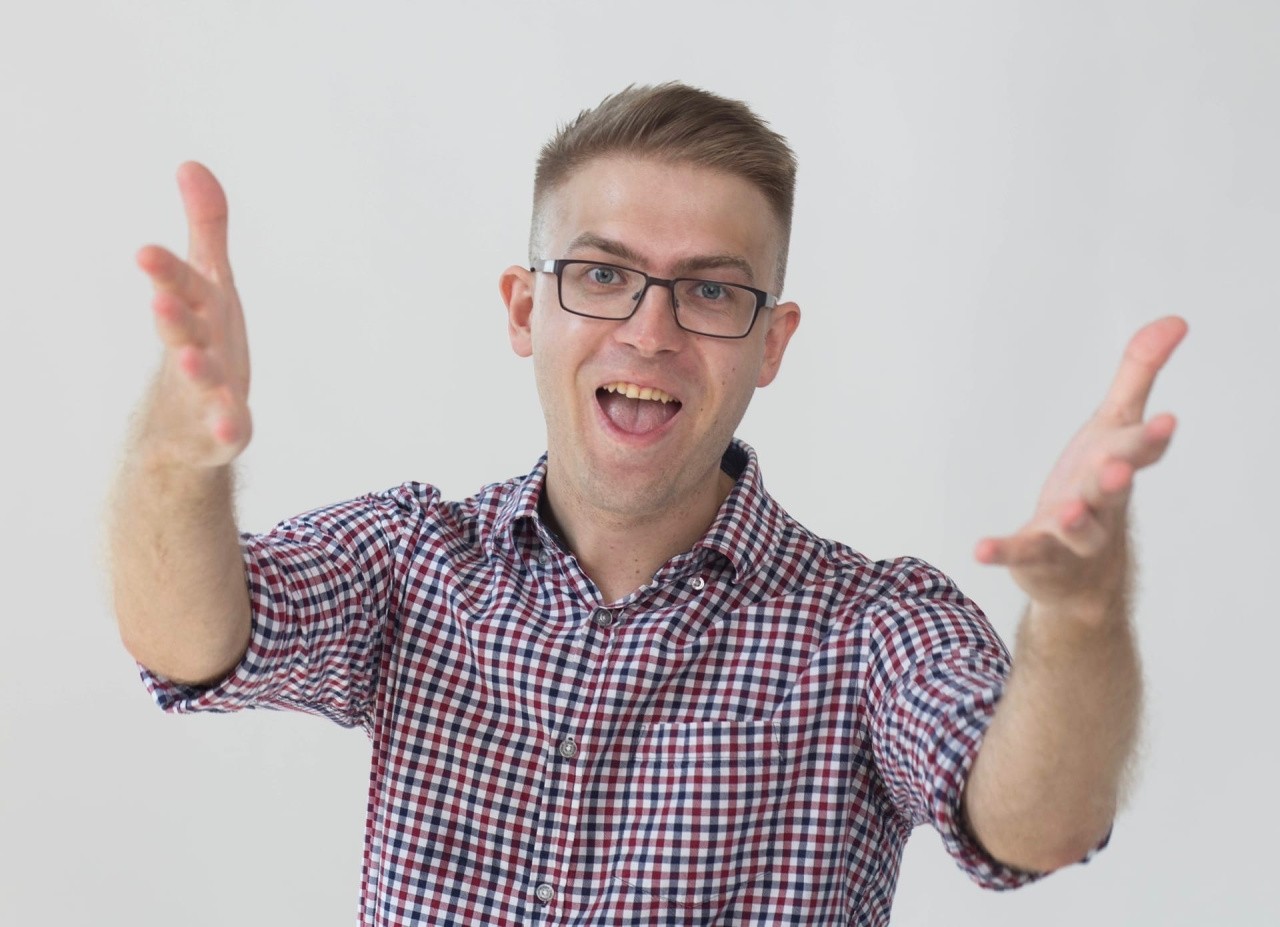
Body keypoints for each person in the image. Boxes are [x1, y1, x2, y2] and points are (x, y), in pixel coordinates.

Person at [109, 83, 1186, 926]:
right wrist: (176, 457)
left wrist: (1081, 616)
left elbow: (1034, 822)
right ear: (525, 308)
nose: (650, 331)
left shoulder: (870, 626)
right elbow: (190, 640)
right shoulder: (413, 558)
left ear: (771, 343)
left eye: (711, 290)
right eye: (602, 275)